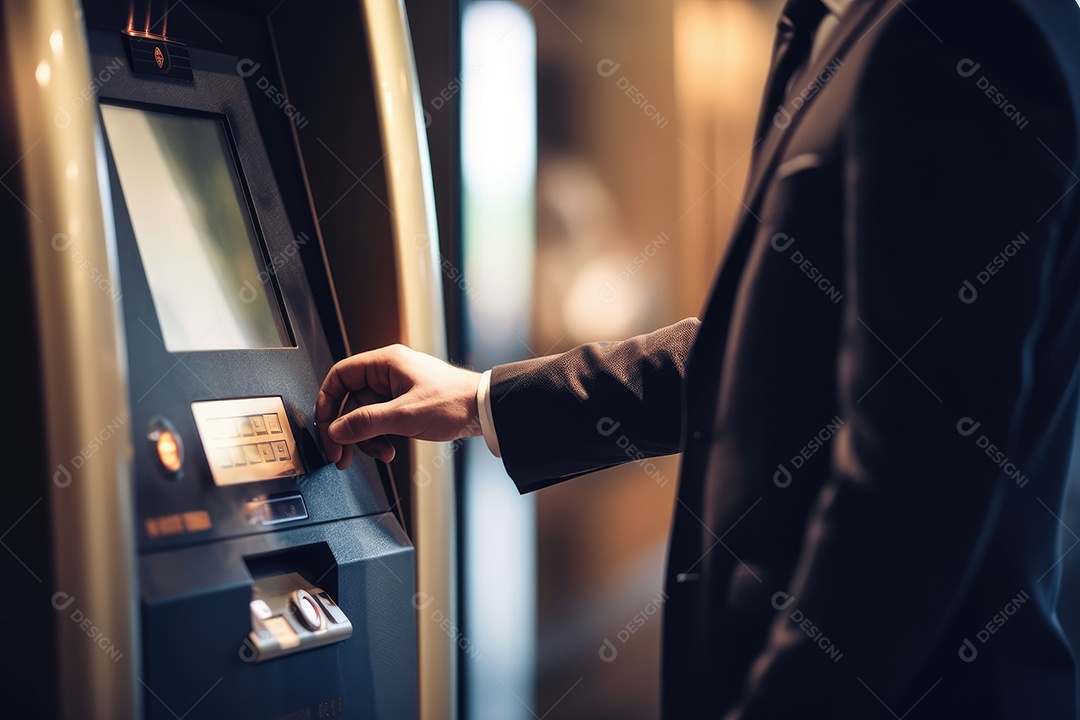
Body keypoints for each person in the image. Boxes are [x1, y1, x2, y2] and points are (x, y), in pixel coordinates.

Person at [316, 0, 1080, 716]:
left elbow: (916, 482)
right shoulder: (844, 23)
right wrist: (482, 399)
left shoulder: (961, 31)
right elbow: (788, 354)